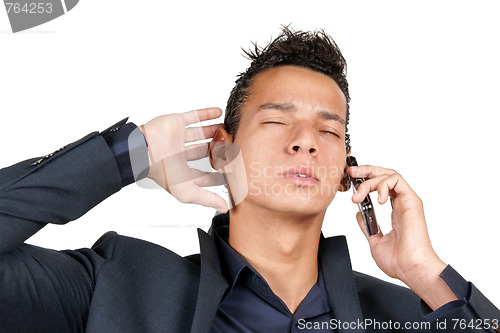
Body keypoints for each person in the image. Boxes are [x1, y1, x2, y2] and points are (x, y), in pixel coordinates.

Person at [0, 27, 498, 333]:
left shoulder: (406, 314)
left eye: (329, 129)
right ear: (223, 148)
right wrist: (131, 154)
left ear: (348, 170)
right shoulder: (115, 283)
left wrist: (424, 272)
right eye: (277, 121)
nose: (305, 141)